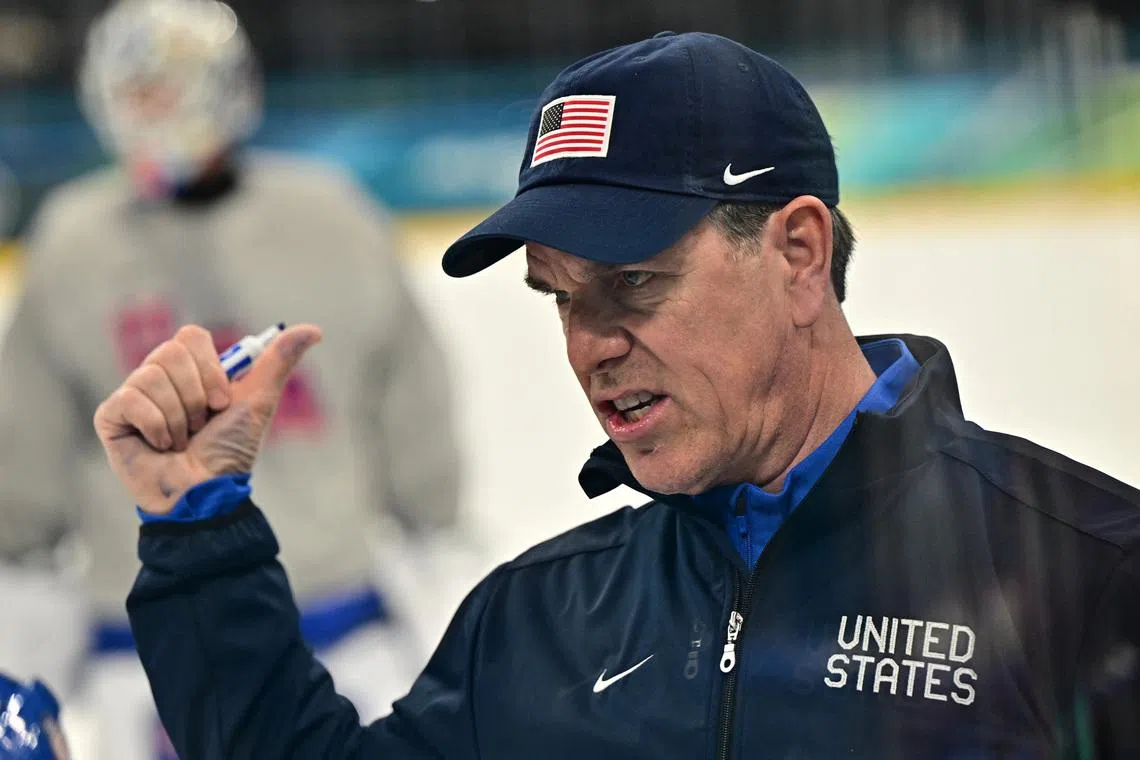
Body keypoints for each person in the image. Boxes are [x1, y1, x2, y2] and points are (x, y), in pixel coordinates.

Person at [94, 31, 1139, 758]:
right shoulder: (537, 622)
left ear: (799, 253)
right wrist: (198, 532)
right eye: (560, 296)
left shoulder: (1086, 574)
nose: (591, 343)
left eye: (635, 281)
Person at [0, 1, 470, 758]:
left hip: (338, 624)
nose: (148, 110)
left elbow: (409, 392)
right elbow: (27, 447)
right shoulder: (72, 240)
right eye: (133, 89)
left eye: (167, 86)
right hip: (143, 641)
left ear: (224, 86)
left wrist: (434, 528)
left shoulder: (331, 216)